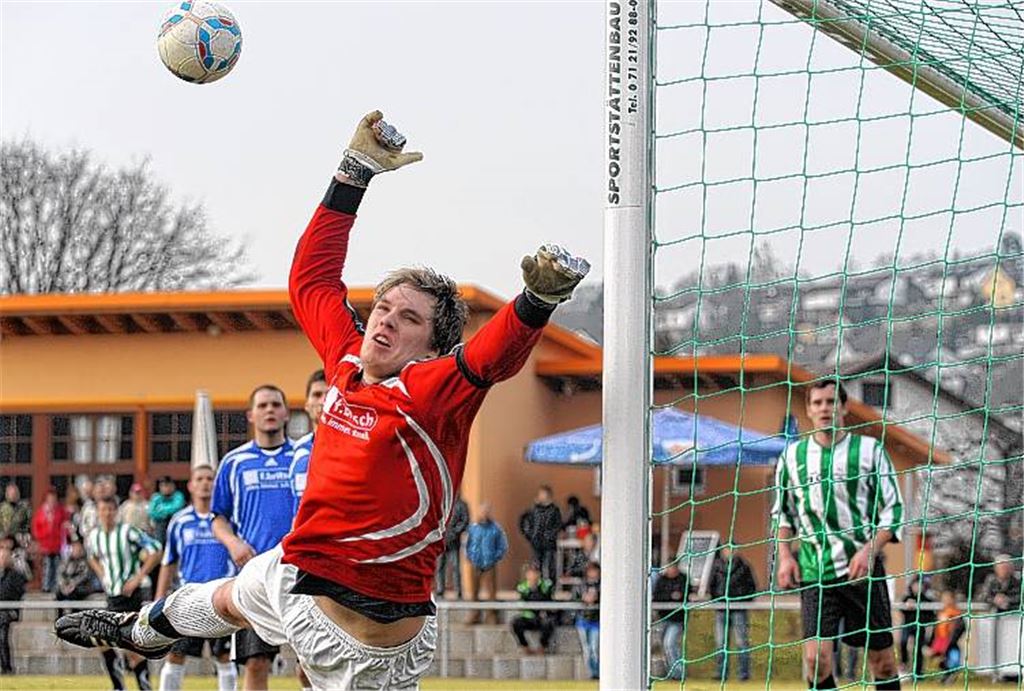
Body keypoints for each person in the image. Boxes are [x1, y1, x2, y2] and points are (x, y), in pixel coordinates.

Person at [55, 110, 588, 690]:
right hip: (300, 575)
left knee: (236, 596)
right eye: (383, 307)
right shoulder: (346, 360)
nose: (385, 322)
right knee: (231, 595)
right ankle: (138, 633)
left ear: (432, 346)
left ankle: (141, 632)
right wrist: (352, 173)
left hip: (364, 641)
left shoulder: (434, 392)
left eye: (407, 319)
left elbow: (491, 357)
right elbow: (311, 280)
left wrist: (537, 300)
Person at [772, 380, 904, 691]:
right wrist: (786, 556)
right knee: (816, 661)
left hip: (863, 574)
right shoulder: (792, 457)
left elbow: (894, 509)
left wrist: (869, 550)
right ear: (808, 410)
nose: (824, 409)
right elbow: (782, 512)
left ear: (843, 408)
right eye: (817, 403)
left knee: (882, 663)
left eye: (831, 402)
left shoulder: (870, 451)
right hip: (816, 571)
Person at [210, 384, 297, 691]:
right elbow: (217, 517)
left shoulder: (303, 458)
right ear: (251, 415)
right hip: (254, 579)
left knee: (311, 665)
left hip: (301, 576)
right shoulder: (233, 462)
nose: (269, 410)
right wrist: (233, 542)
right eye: (262, 406)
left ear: (286, 413)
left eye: (276, 404)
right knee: (255, 663)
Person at [155, 465, 236, 691]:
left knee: (225, 657)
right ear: (190, 485)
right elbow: (168, 561)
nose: (205, 483)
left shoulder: (228, 521)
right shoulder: (179, 522)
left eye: (210, 478)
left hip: (222, 599)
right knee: (176, 655)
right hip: (189, 599)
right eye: (199, 478)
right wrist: (159, 599)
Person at [85, 495, 162, 691]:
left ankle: (144, 687)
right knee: (102, 640)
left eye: (111, 510)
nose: (107, 514)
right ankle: (118, 686)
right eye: (103, 510)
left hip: (130, 596)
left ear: (116, 512)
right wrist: (102, 573)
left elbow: (156, 550)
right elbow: (91, 556)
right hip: (112, 596)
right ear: (98, 512)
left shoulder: (128, 532)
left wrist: (138, 577)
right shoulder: (95, 536)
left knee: (132, 649)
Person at [708, 546, 757, 682]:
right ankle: (721, 673)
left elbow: (752, 587)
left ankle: (744, 674)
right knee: (721, 643)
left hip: (739, 609)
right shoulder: (717, 567)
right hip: (721, 610)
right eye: (727, 549)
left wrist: (743, 600)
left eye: (732, 549)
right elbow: (711, 585)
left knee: (741, 642)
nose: (729, 552)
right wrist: (716, 601)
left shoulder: (744, 567)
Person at [289, 369, 328, 515]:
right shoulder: (296, 449)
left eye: (329, 394)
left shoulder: (356, 447)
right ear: (306, 405)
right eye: (317, 395)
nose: (323, 401)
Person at [465, 502, 508, 624]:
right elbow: (466, 544)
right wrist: (470, 556)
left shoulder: (496, 529)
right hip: (475, 563)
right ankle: (474, 614)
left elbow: (502, 546)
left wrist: (495, 557)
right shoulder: (473, 528)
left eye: (487, 511)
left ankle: (491, 615)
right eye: (482, 511)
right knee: (474, 592)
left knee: (491, 592)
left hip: (490, 563)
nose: (484, 513)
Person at [652, 561, 689, 681]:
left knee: (670, 643)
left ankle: (678, 673)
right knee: (665, 645)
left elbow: (684, 596)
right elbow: (657, 596)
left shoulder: (682, 579)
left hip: (677, 620)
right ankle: (671, 672)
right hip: (663, 618)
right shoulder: (661, 580)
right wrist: (671, 596)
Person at [518, 485, 563, 583]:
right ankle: (537, 587)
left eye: (543, 494)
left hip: (549, 544)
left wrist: (550, 535)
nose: (541, 496)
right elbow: (525, 522)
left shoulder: (554, 510)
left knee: (550, 566)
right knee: (536, 566)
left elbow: (558, 525)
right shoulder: (534, 510)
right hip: (536, 543)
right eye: (540, 494)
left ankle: (550, 587)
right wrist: (529, 534)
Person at [511, 563, 557, 655]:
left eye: (535, 572)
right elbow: (521, 601)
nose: (533, 575)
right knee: (516, 623)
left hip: (541, 616)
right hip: (528, 616)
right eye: (530, 573)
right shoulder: (522, 586)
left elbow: (549, 599)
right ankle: (525, 646)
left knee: (549, 623)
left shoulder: (546, 585)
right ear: (527, 574)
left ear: (539, 574)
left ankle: (542, 647)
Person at [30, 486, 68, 593]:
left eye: (53, 499)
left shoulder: (60, 511)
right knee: (46, 566)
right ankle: (46, 586)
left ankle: (55, 586)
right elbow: (36, 527)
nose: (52, 501)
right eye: (50, 498)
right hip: (45, 545)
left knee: (56, 566)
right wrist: (41, 538)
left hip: (57, 544)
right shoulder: (41, 512)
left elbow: (64, 525)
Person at [896, 574, 934, 678]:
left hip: (919, 626)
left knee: (918, 648)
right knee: (903, 642)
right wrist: (907, 605)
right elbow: (901, 609)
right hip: (908, 625)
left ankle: (918, 673)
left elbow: (931, 615)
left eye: (920, 585)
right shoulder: (907, 598)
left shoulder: (926, 599)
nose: (917, 587)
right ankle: (904, 664)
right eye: (916, 585)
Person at [923, 590, 964, 684]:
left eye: (948, 598)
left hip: (950, 641)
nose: (946, 600)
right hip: (940, 641)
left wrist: (953, 639)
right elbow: (936, 628)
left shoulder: (956, 613)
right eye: (944, 598)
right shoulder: (941, 613)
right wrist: (930, 642)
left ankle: (950, 675)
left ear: (953, 599)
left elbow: (961, 627)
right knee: (938, 657)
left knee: (952, 659)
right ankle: (945, 675)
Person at [0, 536, 26, 675]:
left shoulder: (15, 575)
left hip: (8, 611)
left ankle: (6, 668)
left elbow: (15, 592)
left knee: (2, 635)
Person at [435, 494, 469, 599]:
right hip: (441, 540)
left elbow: (465, 520)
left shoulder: (461, 504)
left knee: (455, 566)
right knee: (440, 566)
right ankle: (440, 590)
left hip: (454, 541)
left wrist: (454, 533)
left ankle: (458, 591)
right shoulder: (440, 502)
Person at [574, 561, 600, 679]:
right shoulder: (581, 585)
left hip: (596, 621)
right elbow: (575, 598)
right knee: (586, 649)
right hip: (583, 620)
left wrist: (596, 598)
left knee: (594, 647)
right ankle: (591, 674)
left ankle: (597, 673)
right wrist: (583, 599)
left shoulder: (602, 585)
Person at [56, 540, 96, 619]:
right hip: (67, 585)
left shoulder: (85, 561)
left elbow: (84, 576)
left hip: (81, 586)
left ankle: (75, 616)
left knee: (75, 594)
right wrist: (63, 585)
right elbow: (60, 573)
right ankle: (59, 617)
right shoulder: (67, 561)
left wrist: (72, 584)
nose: (75, 550)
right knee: (58, 593)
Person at [148, 478, 185, 548]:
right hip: (160, 526)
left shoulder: (178, 496)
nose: (165, 488)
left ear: (173, 487)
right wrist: (165, 514)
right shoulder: (156, 497)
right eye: (163, 486)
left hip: (174, 524)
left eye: (167, 486)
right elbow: (152, 512)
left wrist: (161, 510)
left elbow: (176, 508)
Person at [0, 483, 31, 554]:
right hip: (4, 539)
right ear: (7, 494)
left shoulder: (24, 507)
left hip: (19, 538)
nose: (13, 495)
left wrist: (23, 534)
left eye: (15, 493)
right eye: (11, 493)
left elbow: (28, 523)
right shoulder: (2, 508)